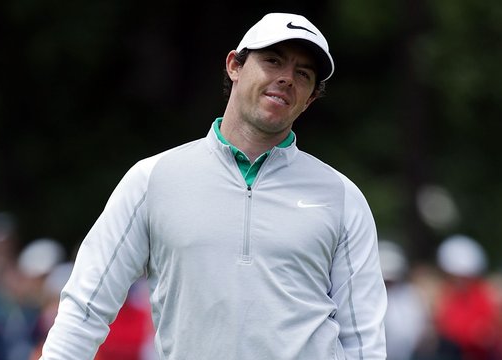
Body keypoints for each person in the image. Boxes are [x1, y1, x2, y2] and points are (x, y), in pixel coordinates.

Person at [39, 12, 387, 360]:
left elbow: (364, 341)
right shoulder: (152, 179)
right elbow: (85, 308)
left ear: (310, 98)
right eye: (272, 61)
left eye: (303, 74)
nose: (286, 79)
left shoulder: (342, 196)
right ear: (235, 66)